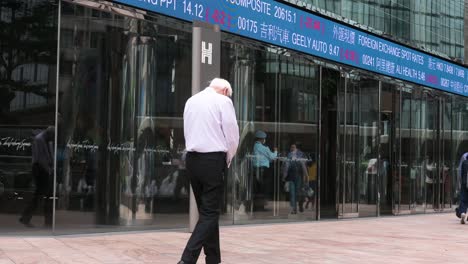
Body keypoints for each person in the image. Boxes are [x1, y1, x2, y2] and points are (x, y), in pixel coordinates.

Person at [178, 78, 239, 264]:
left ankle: (213, 258)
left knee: (207, 213)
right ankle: (187, 260)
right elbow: (232, 133)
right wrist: (228, 157)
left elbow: (187, 129)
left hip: (192, 159)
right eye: (229, 94)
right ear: (224, 90)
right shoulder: (223, 101)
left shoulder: (191, 100)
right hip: (212, 160)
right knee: (210, 213)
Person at [19, 126, 55, 228]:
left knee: (45, 195)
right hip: (40, 169)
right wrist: (48, 170)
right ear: (48, 134)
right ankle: (27, 218)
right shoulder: (39, 139)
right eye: (52, 136)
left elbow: (50, 155)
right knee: (40, 195)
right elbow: (39, 158)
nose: (52, 139)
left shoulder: (49, 140)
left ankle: (44, 220)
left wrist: (52, 167)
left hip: (47, 169)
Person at [251, 130, 277, 210]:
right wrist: (276, 151)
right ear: (262, 139)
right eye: (264, 139)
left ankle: (257, 206)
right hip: (263, 169)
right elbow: (272, 157)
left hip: (256, 168)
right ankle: (260, 206)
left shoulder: (255, 146)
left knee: (258, 188)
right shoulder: (264, 148)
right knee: (263, 188)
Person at [283, 144, 308, 214]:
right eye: (291, 146)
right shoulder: (291, 155)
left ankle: (298, 207)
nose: (292, 148)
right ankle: (295, 208)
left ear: (296, 147)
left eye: (293, 146)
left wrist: (306, 175)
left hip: (297, 176)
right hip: (294, 176)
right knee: (294, 193)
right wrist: (284, 176)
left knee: (296, 193)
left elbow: (303, 165)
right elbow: (286, 167)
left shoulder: (298, 154)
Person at [458, 153, 468, 224]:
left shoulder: (464, 158)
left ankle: (463, 212)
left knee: (463, 198)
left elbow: (460, 171)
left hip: (465, 182)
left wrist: (460, 181)